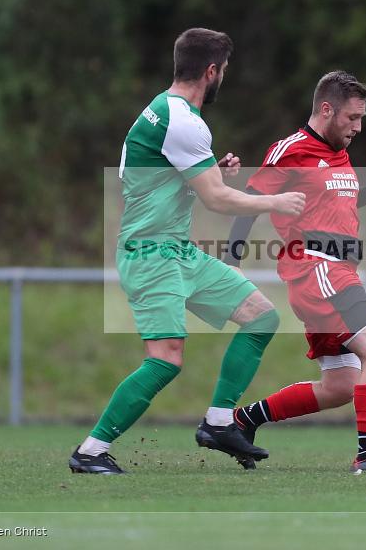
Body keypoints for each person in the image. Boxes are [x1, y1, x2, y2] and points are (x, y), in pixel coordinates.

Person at [69, 28, 305, 474]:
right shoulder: (183, 119)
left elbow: (164, 179)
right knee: (166, 360)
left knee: (261, 316)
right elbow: (216, 200)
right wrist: (276, 201)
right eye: (224, 72)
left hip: (177, 252)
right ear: (211, 71)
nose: (224, 80)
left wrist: (211, 171)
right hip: (151, 255)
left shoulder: (163, 112)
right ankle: (91, 451)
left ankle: (219, 422)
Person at [222, 70, 366, 472]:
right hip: (318, 269)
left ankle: (243, 421)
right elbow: (249, 200)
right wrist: (230, 263)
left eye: (361, 119)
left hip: (332, 270)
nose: (358, 128)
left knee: (341, 386)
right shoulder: (291, 149)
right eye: (352, 118)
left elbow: (327, 206)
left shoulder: (338, 149)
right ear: (326, 109)